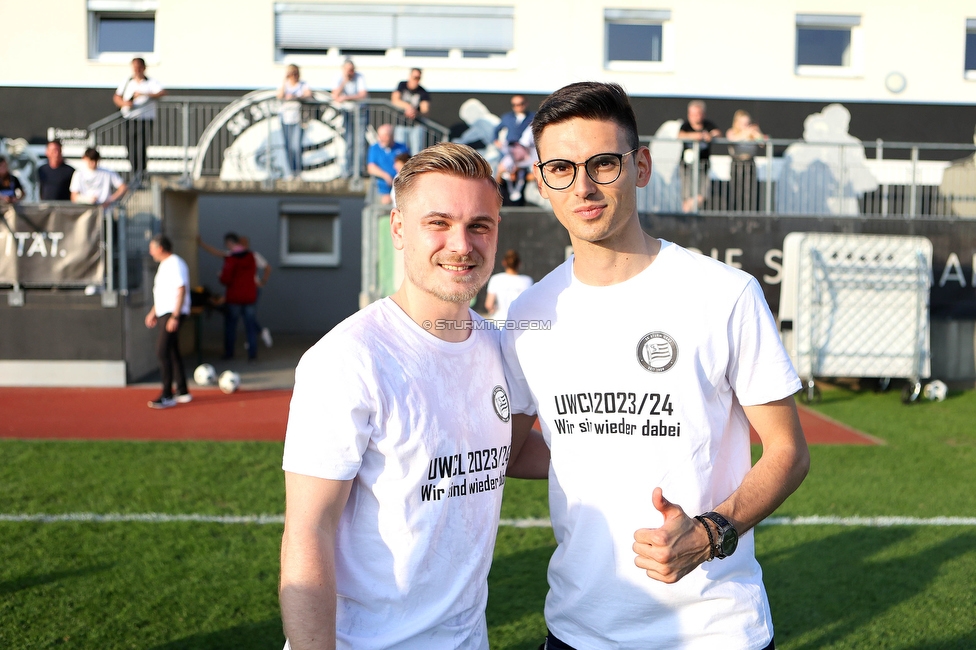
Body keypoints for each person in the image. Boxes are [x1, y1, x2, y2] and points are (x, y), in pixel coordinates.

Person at [502, 82, 810, 650]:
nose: (584, 186)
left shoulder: (725, 294)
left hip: (714, 631)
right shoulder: (528, 313)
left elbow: (788, 451)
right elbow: (509, 449)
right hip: (576, 629)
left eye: (603, 163)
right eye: (562, 169)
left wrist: (712, 532)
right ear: (542, 181)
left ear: (640, 166)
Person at [279, 142, 549, 650]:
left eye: (479, 226)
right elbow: (308, 531)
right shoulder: (348, 358)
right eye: (439, 223)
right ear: (398, 228)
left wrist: (613, 447)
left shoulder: (498, 347)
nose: (461, 244)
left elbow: (504, 453)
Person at [198, 234, 273, 349]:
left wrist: (262, 281)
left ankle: (254, 339)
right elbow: (217, 252)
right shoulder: (234, 255)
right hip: (244, 292)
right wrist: (202, 244)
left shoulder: (250, 256)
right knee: (248, 317)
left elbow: (267, 267)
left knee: (243, 319)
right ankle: (257, 336)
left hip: (248, 291)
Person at [144, 234, 192, 409]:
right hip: (165, 312)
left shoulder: (175, 263)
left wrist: (175, 316)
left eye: (152, 248)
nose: (150, 252)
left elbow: (181, 289)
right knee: (172, 351)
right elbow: (163, 293)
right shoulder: (165, 265)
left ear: (160, 248)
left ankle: (167, 394)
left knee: (162, 351)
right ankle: (182, 390)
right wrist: (153, 312)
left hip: (172, 313)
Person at [113, 57, 165, 185]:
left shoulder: (151, 82)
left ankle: (141, 174)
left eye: (139, 67)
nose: (136, 70)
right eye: (134, 67)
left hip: (145, 119)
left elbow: (162, 93)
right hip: (129, 118)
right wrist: (125, 103)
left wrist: (144, 94)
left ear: (144, 68)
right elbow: (117, 97)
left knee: (141, 147)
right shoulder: (127, 81)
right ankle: (135, 172)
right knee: (130, 147)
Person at [218, 232, 259, 361]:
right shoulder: (251, 256)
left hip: (235, 298)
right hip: (249, 296)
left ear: (230, 243)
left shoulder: (231, 259)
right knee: (250, 327)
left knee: (231, 327)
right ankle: (252, 354)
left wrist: (221, 276)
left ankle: (229, 353)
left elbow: (226, 279)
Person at [678, 99, 722, 213]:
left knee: (701, 195)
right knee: (686, 195)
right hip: (687, 167)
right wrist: (696, 135)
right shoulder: (685, 125)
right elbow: (680, 135)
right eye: (692, 114)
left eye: (697, 114)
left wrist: (710, 135)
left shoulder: (708, 125)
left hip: (703, 166)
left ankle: (690, 209)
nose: (695, 117)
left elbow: (718, 133)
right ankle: (687, 213)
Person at [493, 95, 537, 204]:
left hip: (527, 154)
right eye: (515, 104)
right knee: (501, 171)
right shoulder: (507, 117)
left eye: (521, 104)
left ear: (526, 103)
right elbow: (496, 130)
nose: (518, 107)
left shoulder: (533, 117)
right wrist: (496, 141)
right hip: (510, 152)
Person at [331, 58, 368, 177]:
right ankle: (349, 170)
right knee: (349, 142)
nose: (350, 72)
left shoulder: (360, 77)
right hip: (347, 113)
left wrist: (346, 98)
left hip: (360, 112)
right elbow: (335, 95)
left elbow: (363, 94)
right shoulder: (339, 78)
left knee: (360, 142)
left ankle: (359, 170)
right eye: (347, 70)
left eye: (351, 70)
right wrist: (344, 82)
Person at [726, 110, 767, 212]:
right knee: (736, 192)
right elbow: (733, 140)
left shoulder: (752, 133)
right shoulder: (732, 132)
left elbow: (763, 143)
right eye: (743, 123)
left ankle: (750, 219)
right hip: (737, 163)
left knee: (750, 192)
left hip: (750, 163)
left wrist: (758, 134)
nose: (746, 126)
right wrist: (746, 133)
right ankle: (735, 218)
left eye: (748, 123)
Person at [277, 64, 312, 179]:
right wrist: (284, 80)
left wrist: (295, 96)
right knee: (288, 147)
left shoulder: (302, 84)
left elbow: (308, 94)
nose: (293, 76)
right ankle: (291, 171)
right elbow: (279, 95)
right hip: (285, 119)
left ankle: (298, 171)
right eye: (291, 73)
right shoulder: (285, 85)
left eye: (295, 73)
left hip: (298, 119)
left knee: (296, 146)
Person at [485, 249, 533, 325]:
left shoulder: (496, 279)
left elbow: (489, 304)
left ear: (504, 263)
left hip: (499, 323)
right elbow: (529, 305)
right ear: (519, 264)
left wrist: (493, 311)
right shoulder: (527, 281)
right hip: (519, 324)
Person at [391, 68, 431, 154]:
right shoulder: (402, 85)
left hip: (416, 125)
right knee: (400, 153)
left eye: (418, 78)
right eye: (414, 77)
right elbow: (395, 100)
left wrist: (415, 112)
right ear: (410, 76)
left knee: (416, 152)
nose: (416, 80)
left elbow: (425, 110)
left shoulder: (423, 91)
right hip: (401, 124)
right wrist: (408, 107)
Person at [367, 124, 409, 204]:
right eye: (380, 136)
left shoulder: (402, 148)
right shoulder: (374, 148)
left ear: (392, 136)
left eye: (385, 136)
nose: (381, 139)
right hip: (382, 189)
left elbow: (406, 165)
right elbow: (371, 168)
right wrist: (385, 176)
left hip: (399, 188)